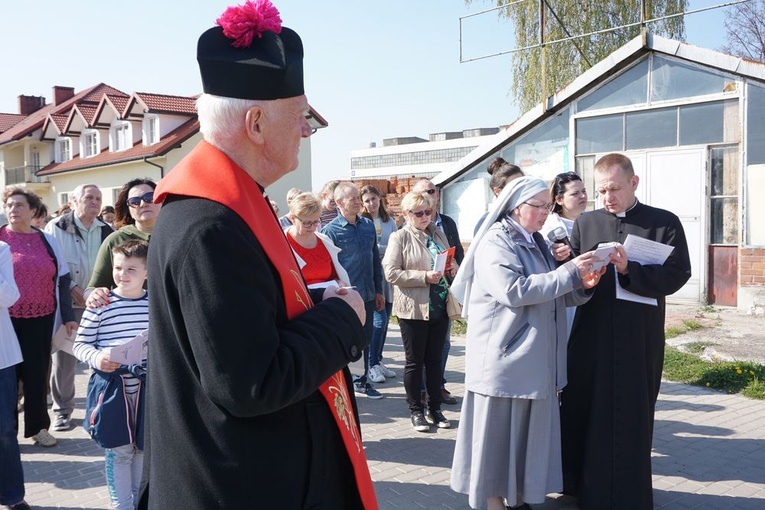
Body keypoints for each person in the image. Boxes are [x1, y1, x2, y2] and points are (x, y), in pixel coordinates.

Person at [138, 2, 376, 508]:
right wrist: (342, 317)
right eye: (301, 116)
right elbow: (250, 382)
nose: (308, 130)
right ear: (256, 122)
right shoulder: (211, 226)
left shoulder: (233, 205)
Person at [449, 176, 603, 510]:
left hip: (535, 361)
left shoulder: (536, 241)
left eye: (548, 206)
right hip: (506, 360)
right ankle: (493, 501)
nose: (546, 213)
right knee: (497, 440)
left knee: (525, 440)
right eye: (539, 207)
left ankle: (519, 496)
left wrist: (583, 281)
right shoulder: (496, 241)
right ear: (516, 207)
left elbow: (555, 294)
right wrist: (568, 273)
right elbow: (515, 291)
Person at [559, 153, 692, 509]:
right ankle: (578, 485)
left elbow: (679, 274)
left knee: (631, 412)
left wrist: (629, 268)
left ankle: (629, 494)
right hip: (592, 335)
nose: (607, 198)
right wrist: (583, 278)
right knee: (584, 407)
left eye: (614, 189)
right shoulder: (585, 223)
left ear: (633, 183)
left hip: (639, 336)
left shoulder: (664, 223)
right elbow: (573, 279)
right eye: (601, 190)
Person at [73, 240, 149, 510]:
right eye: (118, 267)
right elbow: (80, 344)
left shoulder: (154, 305)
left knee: (141, 448)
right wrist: (97, 358)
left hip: (145, 389)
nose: (122, 274)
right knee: (118, 451)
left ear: (147, 272)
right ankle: (121, 505)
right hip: (112, 389)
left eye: (131, 269)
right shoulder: (101, 304)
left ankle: (137, 502)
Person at [0, 188, 77, 448]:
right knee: (7, 376)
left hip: (41, 318)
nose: (13, 209)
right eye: (9, 205)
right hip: (5, 321)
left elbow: (63, 279)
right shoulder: (0, 239)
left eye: (19, 205)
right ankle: (6, 431)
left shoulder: (47, 240)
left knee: (37, 375)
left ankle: (38, 428)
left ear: (33, 211)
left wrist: (67, 316)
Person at [383, 191, 456, 431]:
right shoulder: (400, 237)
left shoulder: (437, 232)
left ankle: (436, 409)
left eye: (429, 211)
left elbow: (450, 260)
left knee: (435, 361)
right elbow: (391, 273)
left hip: (439, 306)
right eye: (419, 213)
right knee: (415, 362)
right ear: (406, 214)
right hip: (413, 309)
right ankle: (416, 411)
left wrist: (452, 268)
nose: (425, 216)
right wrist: (424, 277)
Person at [44, 184, 113, 432]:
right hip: (69, 304)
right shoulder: (57, 227)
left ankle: (101, 407)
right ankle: (62, 411)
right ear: (73, 201)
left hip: (98, 304)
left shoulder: (107, 229)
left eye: (98, 198)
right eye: (88, 197)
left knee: (101, 358)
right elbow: (53, 265)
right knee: (65, 360)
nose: (94, 202)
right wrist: (74, 288)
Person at [323, 182, 386, 400]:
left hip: (368, 295)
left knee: (365, 339)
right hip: (346, 299)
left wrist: (379, 290)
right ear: (339, 203)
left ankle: (360, 382)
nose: (358, 202)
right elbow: (328, 268)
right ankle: (344, 382)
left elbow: (375, 261)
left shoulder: (368, 225)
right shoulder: (330, 232)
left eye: (359, 197)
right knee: (346, 341)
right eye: (353, 199)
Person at [410, 178, 463, 405]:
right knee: (420, 351)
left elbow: (457, 250)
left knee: (444, 344)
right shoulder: (406, 233)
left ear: (438, 194)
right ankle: (421, 392)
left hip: (444, 293)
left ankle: (437, 386)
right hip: (420, 297)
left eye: (432, 191)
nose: (429, 196)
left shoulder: (447, 223)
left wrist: (457, 271)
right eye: (423, 193)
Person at [85, 179, 158, 307]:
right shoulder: (115, 240)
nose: (142, 204)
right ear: (128, 208)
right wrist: (94, 295)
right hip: (130, 318)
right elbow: (93, 288)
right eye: (134, 201)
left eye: (149, 197)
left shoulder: (178, 236)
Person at [0, 240, 29, 510]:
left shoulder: (1, 249)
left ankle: (11, 495)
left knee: (4, 431)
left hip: (1, 358)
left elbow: (10, 297)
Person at [540, 172, 588, 337]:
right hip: (568, 301)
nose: (582, 196)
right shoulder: (550, 228)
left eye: (584, 191)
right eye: (575, 193)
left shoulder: (591, 221)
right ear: (559, 199)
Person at [361, 185, 398, 383]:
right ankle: (371, 362)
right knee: (378, 321)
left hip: (388, 278)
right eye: (367, 200)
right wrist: (384, 248)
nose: (371, 203)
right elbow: (372, 248)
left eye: (373, 199)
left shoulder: (389, 221)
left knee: (385, 323)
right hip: (373, 278)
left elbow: (397, 244)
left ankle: (379, 359)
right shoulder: (362, 223)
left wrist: (383, 249)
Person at [285, 192, 350, 288]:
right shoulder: (283, 243)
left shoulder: (324, 241)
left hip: (327, 298)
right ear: (293, 219)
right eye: (306, 223)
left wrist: (339, 283)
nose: (312, 228)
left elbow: (335, 275)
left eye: (316, 222)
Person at [473, 157, 524, 235]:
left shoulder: (526, 216)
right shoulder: (487, 222)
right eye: (514, 187)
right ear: (497, 191)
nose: (521, 190)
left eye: (523, 185)